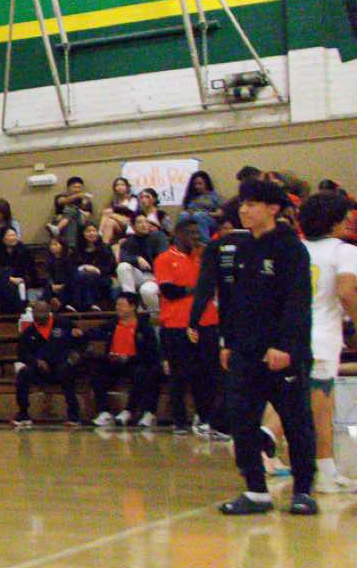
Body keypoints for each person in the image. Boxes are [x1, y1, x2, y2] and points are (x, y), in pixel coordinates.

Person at [193, 178, 316, 516]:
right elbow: (232, 300)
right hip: (244, 353)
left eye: (252, 204)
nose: (244, 211)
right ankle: (256, 490)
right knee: (243, 420)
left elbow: (297, 303)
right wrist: (228, 341)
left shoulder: (291, 249)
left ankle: (303, 491)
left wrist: (284, 346)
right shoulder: (243, 248)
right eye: (242, 205)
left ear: (273, 208)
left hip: (281, 354)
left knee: (296, 422)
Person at [299, 190, 357, 492]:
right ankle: (324, 473)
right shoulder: (343, 251)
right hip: (322, 337)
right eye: (346, 217)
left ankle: (324, 470)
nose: (350, 221)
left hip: (293, 335)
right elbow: (346, 292)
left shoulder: (297, 247)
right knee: (321, 411)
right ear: (333, 220)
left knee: (298, 406)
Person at [155, 222, 222, 437]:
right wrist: (198, 289)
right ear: (178, 234)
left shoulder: (203, 257)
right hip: (176, 325)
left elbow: (213, 284)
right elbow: (169, 291)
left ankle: (206, 418)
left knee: (207, 374)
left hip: (206, 322)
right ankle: (179, 421)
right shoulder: (165, 258)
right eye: (190, 233)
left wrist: (196, 290)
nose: (195, 236)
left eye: (197, 232)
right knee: (179, 375)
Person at [87, 292, 162, 427]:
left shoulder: (144, 328)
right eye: (117, 305)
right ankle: (104, 412)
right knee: (97, 370)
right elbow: (94, 332)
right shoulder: (112, 324)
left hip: (135, 363)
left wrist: (129, 358)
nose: (118, 308)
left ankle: (130, 411)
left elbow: (150, 353)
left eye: (122, 305)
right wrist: (78, 332)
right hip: (114, 363)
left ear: (132, 307)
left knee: (143, 373)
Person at [10, 297, 86, 428]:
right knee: (23, 374)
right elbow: (22, 353)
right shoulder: (28, 332)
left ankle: (74, 415)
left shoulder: (63, 323)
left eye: (41, 312)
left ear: (48, 311)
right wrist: (35, 361)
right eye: (35, 312)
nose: (38, 315)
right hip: (41, 369)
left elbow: (81, 342)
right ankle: (23, 414)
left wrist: (73, 357)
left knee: (67, 371)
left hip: (63, 366)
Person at [114, 213, 168, 314]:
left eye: (146, 222)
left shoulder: (158, 236)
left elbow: (164, 258)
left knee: (146, 291)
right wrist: (137, 259)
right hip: (140, 276)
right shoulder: (129, 241)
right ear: (133, 226)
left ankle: (155, 315)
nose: (144, 225)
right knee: (122, 266)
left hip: (156, 276)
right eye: (139, 222)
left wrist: (157, 276)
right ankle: (130, 301)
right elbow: (122, 258)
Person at [0, 226, 34, 314]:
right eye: (10, 235)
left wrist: (22, 279)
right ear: (3, 237)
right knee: (4, 284)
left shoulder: (23, 249)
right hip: (1, 282)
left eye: (14, 235)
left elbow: (30, 268)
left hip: (21, 280)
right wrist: (9, 278)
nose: (13, 238)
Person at [72, 223, 117, 310]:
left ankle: (86, 304)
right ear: (83, 234)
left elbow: (112, 266)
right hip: (81, 276)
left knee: (88, 277)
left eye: (94, 231)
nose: (92, 233)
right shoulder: (77, 250)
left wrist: (96, 269)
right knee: (80, 276)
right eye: (88, 231)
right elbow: (73, 266)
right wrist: (84, 267)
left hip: (102, 276)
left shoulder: (105, 248)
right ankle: (81, 305)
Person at [49, 175, 94, 244]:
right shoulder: (61, 196)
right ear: (68, 188)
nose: (77, 190)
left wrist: (80, 209)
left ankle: (58, 229)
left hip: (79, 222)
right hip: (62, 222)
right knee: (71, 217)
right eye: (75, 187)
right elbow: (62, 201)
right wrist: (77, 196)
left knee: (73, 212)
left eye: (79, 187)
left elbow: (87, 215)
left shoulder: (85, 200)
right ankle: (71, 245)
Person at [181, 170, 222, 238]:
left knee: (198, 215)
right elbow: (188, 210)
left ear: (206, 183)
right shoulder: (192, 197)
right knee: (183, 215)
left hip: (209, 220)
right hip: (193, 218)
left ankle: (205, 241)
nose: (197, 186)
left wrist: (205, 213)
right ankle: (183, 240)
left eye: (200, 184)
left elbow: (219, 213)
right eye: (195, 184)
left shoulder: (214, 196)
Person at [97, 176, 138, 242]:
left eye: (122, 185)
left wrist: (114, 211)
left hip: (129, 223)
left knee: (108, 212)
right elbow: (103, 212)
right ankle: (104, 243)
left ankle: (99, 233)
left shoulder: (132, 199)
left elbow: (131, 212)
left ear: (127, 187)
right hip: (118, 225)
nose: (120, 187)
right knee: (110, 222)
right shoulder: (114, 201)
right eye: (117, 185)